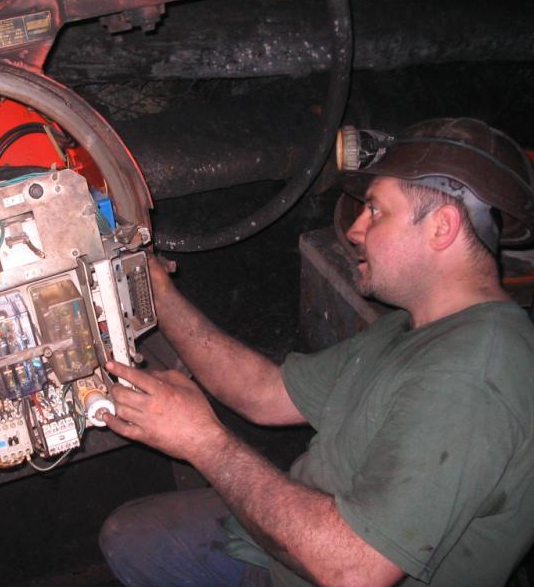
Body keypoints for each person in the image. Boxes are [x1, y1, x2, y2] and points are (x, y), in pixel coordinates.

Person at [98, 118, 534, 586]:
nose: (355, 229)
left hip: (330, 564)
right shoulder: (411, 329)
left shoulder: (473, 372)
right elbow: (265, 394)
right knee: (131, 535)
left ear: (441, 227)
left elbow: (354, 571)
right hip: (308, 535)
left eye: (376, 211)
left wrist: (202, 440)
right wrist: (160, 298)